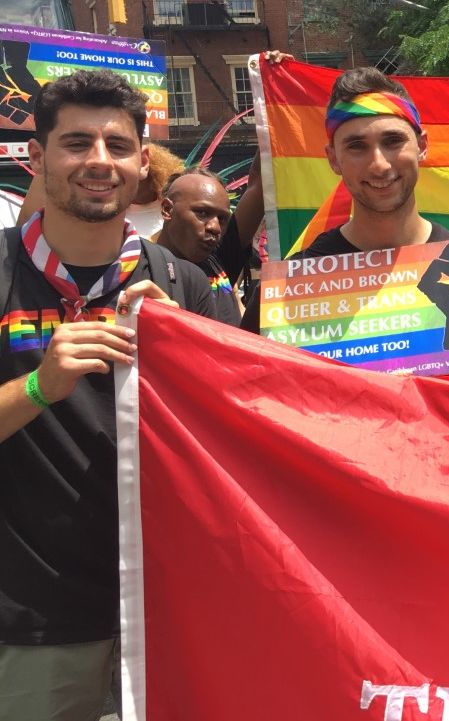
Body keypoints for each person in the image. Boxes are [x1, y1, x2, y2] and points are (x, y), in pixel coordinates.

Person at [0, 70, 216, 720]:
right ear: (37, 157)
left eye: (117, 146)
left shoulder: (186, 285)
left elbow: (230, 434)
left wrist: (186, 350)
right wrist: (40, 386)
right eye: (76, 143)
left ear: (141, 162)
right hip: (35, 621)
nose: (99, 161)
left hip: (167, 615)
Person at [240, 67, 449, 368]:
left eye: (393, 141)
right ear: (333, 159)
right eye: (357, 147)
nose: (379, 164)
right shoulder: (285, 294)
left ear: (422, 146)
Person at [153, 162, 264, 325]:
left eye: (222, 219)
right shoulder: (140, 267)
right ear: (168, 210)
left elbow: (261, 178)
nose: (215, 227)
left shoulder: (219, 259)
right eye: (203, 213)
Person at [18, 141, 184, 236]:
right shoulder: (89, 206)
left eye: (117, 149)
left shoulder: (169, 213)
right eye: (77, 145)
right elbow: (25, 227)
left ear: (145, 166)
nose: (103, 164)